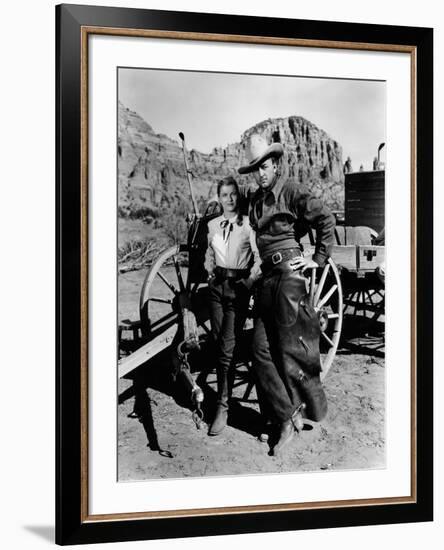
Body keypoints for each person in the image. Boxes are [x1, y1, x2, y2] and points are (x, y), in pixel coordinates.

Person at [238, 134, 336, 456]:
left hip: (289, 279)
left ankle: (291, 420)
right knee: (259, 349)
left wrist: (316, 258)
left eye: (264, 167)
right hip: (267, 280)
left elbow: (324, 218)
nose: (260, 174)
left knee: (291, 351)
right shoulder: (255, 201)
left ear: (276, 164)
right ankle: (286, 416)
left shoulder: (291, 190)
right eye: (255, 169)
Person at [204, 176, 261, 436]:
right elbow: (209, 253)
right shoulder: (213, 224)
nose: (229, 199)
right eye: (224, 194)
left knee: (226, 349)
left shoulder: (248, 225)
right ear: (219, 197)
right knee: (218, 343)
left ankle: (222, 407)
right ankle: (222, 399)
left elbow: (258, 260)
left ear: (238, 197)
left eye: (233, 194)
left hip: (236, 289)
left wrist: (248, 283)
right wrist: (208, 272)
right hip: (216, 288)